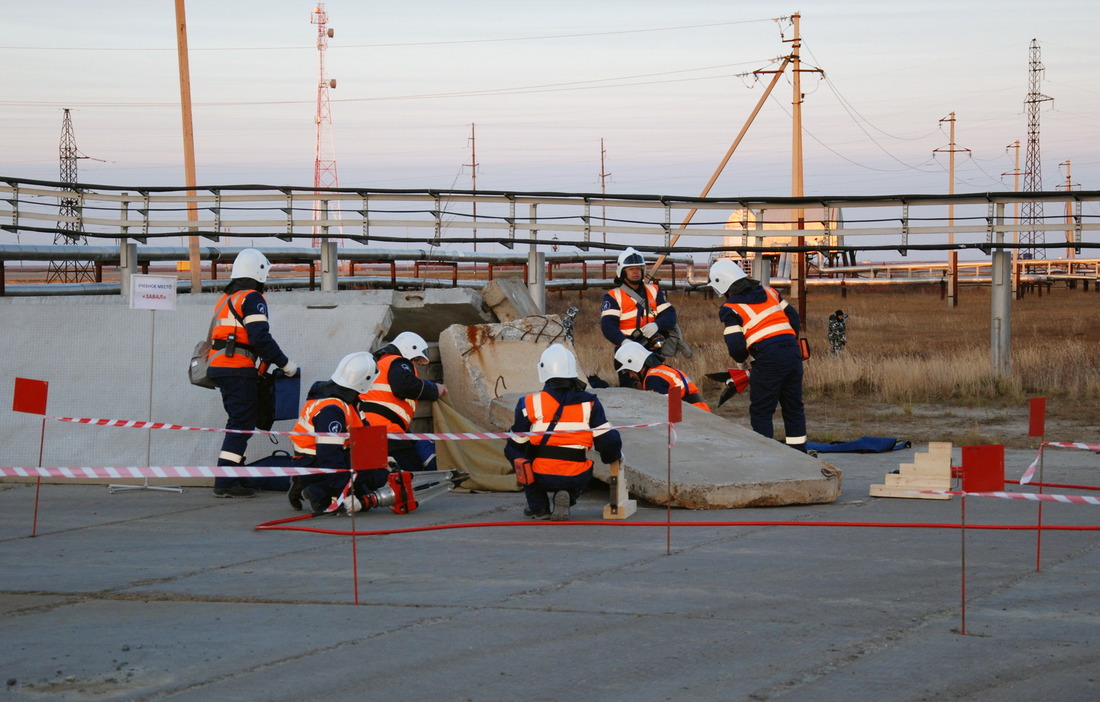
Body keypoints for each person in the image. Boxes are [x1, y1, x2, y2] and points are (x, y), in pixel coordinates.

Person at [207, 248, 299, 497]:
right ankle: (225, 481)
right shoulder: (251, 298)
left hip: (223, 367)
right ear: (259, 272)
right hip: (236, 368)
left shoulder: (228, 298)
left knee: (242, 422)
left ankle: (236, 474)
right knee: (241, 423)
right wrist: (285, 364)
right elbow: (260, 337)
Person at [504, 344, 623, 521]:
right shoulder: (590, 403)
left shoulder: (529, 402)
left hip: (539, 474)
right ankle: (568, 493)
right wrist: (612, 457)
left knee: (515, 453)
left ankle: (539, 507)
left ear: (544, 371)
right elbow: (609, 441)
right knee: (582, 467)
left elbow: (516, 443)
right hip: (576, 474)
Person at [708, 258, 807, 452]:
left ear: (722, 285)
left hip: (768, 357)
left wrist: (741, 362)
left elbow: (736, 344)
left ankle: (766, 456)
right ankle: (800, 456)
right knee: (793, 407)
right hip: (792, 353)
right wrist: (786, 341)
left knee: (762, 411)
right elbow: (794, 318)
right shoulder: (771, 292)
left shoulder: (730, 308)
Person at [288, 352, 390, 514]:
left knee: (377, 471)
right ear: (364, 381)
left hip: (324, 458)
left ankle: (318, 485)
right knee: (367, 470)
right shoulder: (332, 410)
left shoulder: (348, 400)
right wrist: (347, 496)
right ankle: (316, 491)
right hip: (314, 462)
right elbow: (329, 457)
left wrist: (382, 459)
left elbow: (366, 435)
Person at [360, 332, 448, 472]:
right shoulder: (398, 361)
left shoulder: (381, 364)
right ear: (409, 350)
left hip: (367, 431)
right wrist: (433, 389)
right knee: (412, 476)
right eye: (415, 360)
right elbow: (406, 385)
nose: (415, 365)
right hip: (385, 431)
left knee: (374, 479)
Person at [601, 247, 678, 387]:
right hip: (626, 352)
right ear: (622, 272)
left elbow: (670, 314)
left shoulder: (654, 290)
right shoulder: (613, 296)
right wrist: (624, 342)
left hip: (652, 349)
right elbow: (607, 326)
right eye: (631, 269)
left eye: (638, 268)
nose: (635, 272)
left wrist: (657, 325)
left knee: (655, 386)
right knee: (631, 393)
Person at [613, 340, 711, 412]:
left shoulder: (654, 378)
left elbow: (659, 411)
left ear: (635, 363)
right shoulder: (660, 371)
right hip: (698, 412)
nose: (631, 375)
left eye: (630, 371)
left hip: (693, 416)